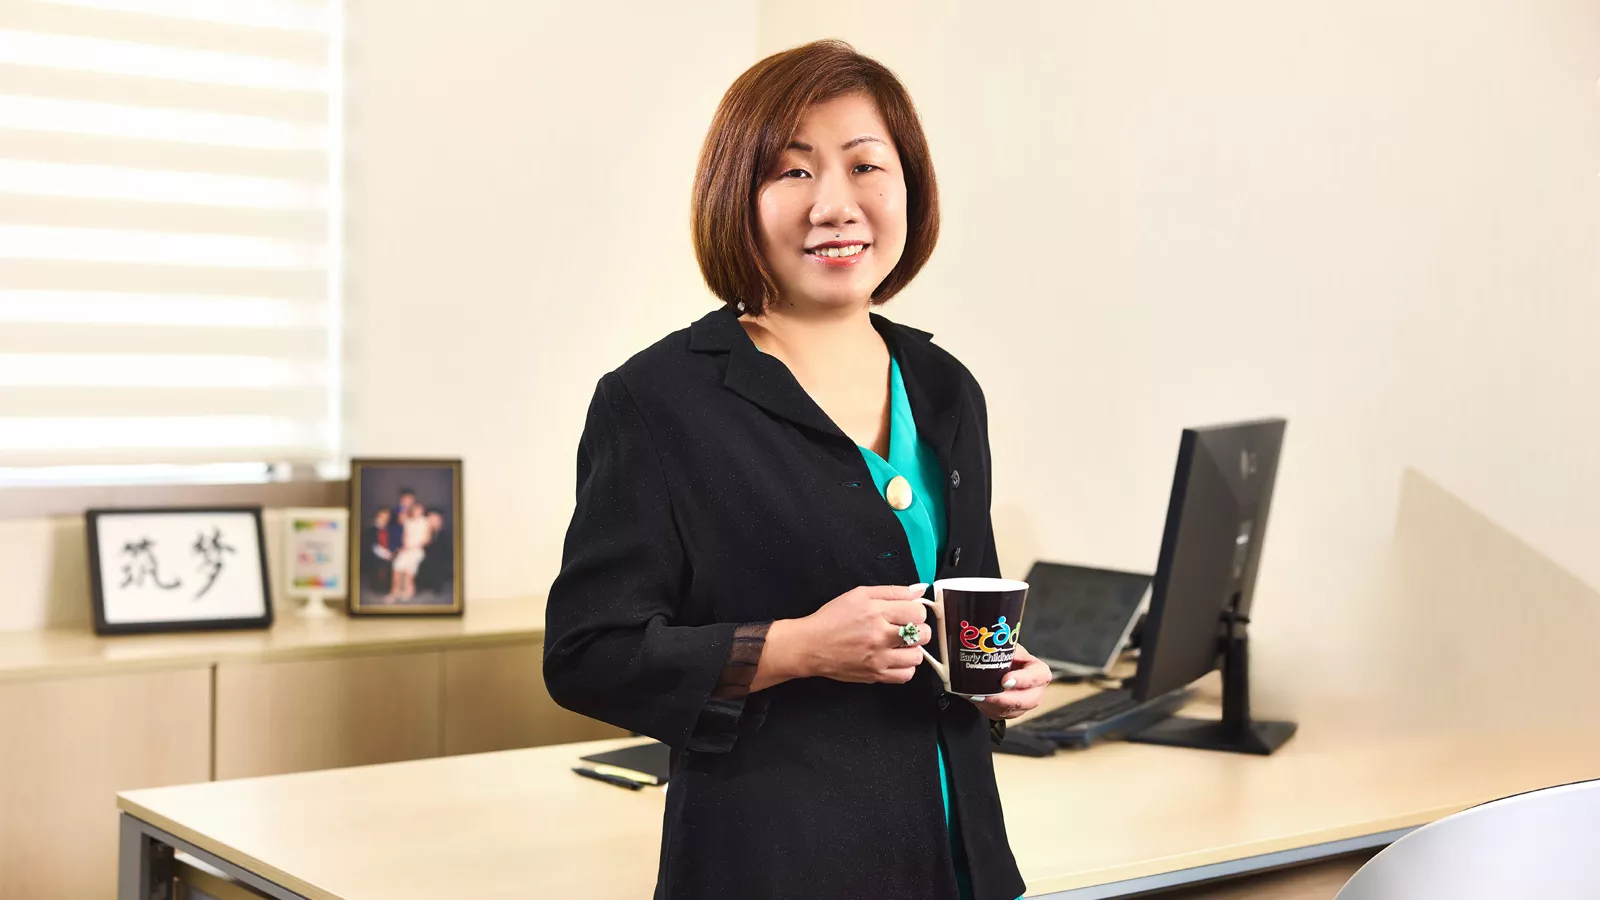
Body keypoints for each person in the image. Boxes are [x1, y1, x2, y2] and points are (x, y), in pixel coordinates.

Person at [543, 40, 1049, 900]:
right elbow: (588, 653)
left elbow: (956, 610)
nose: (835, 205)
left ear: (908, 187)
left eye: (864, 166)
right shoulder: (657, 401)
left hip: (961, 856)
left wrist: (999, 675)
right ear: (736, 198)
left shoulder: (944, 388)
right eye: (793, 172)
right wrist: (801, 647)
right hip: (778, 862)